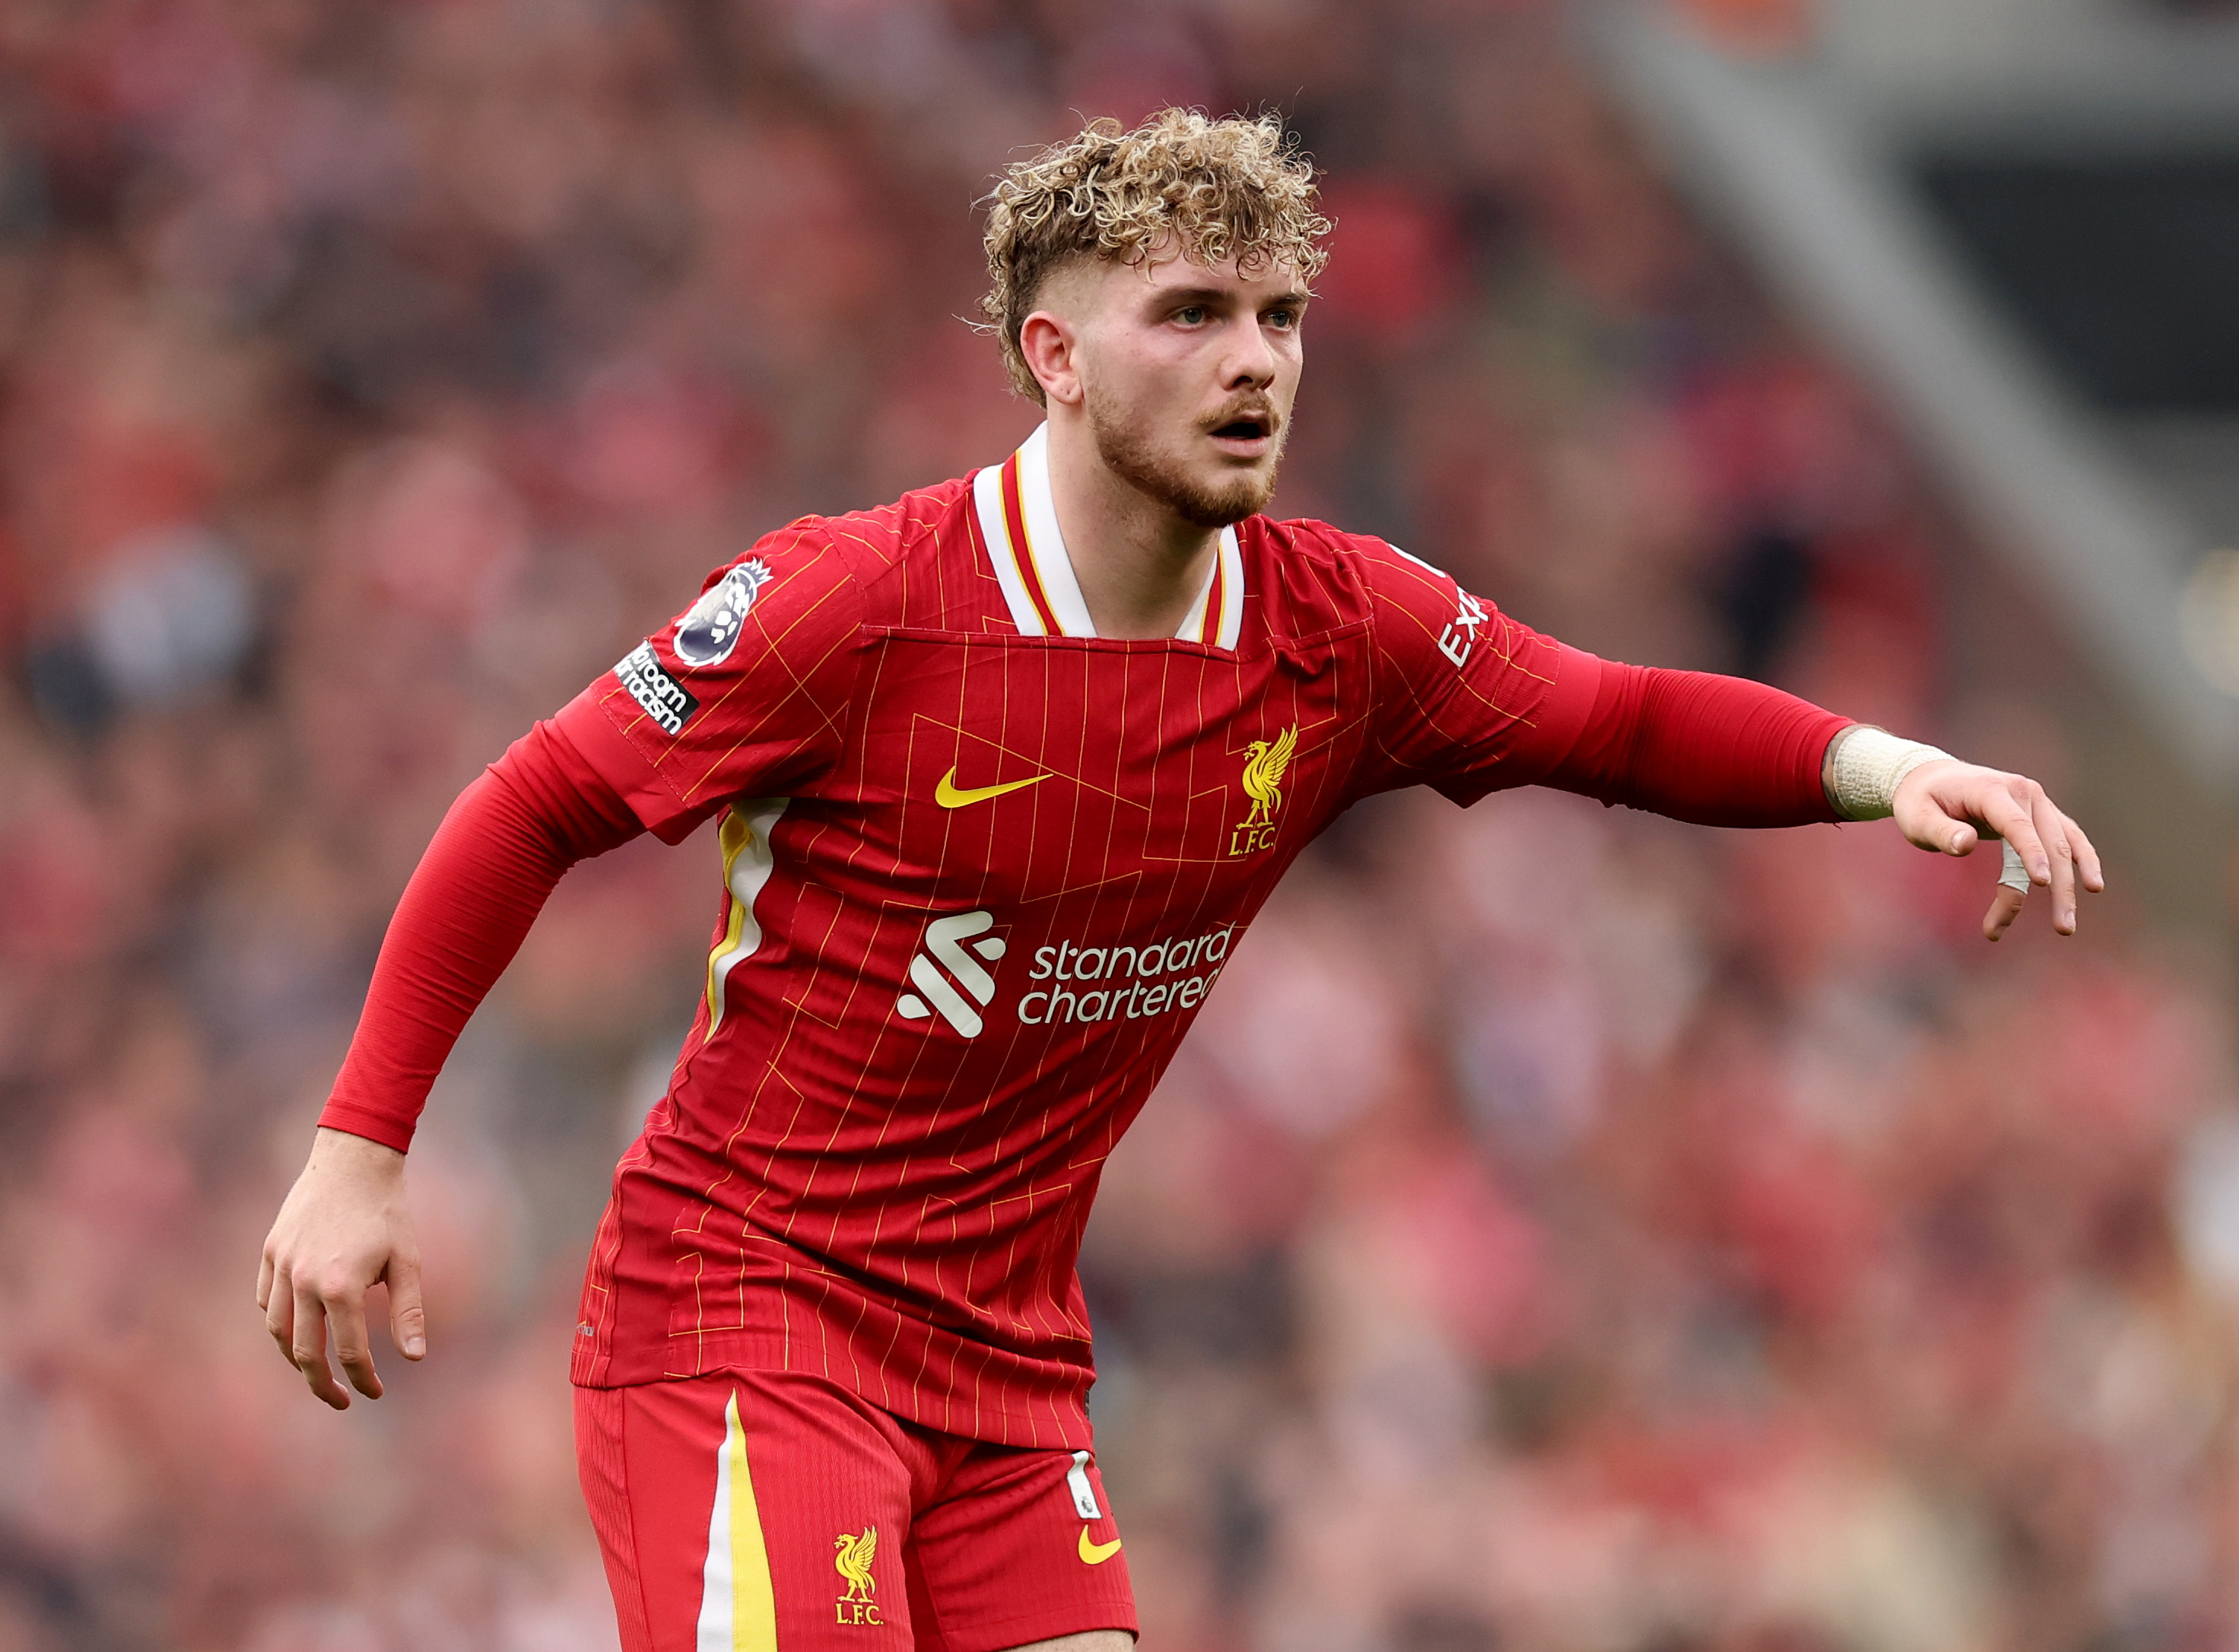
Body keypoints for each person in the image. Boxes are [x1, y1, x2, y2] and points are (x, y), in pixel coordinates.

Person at [257, 110, 2101, 1652]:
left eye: (1281, 314)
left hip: (1004, 1366)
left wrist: (1886, 768)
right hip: (751, 1320)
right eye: (1193, 312)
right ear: (1050, 354)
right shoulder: (858, 599)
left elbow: (1609, 719)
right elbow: (531, 803)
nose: (1254, 359)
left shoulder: (1334, 624)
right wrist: (359, 1149)